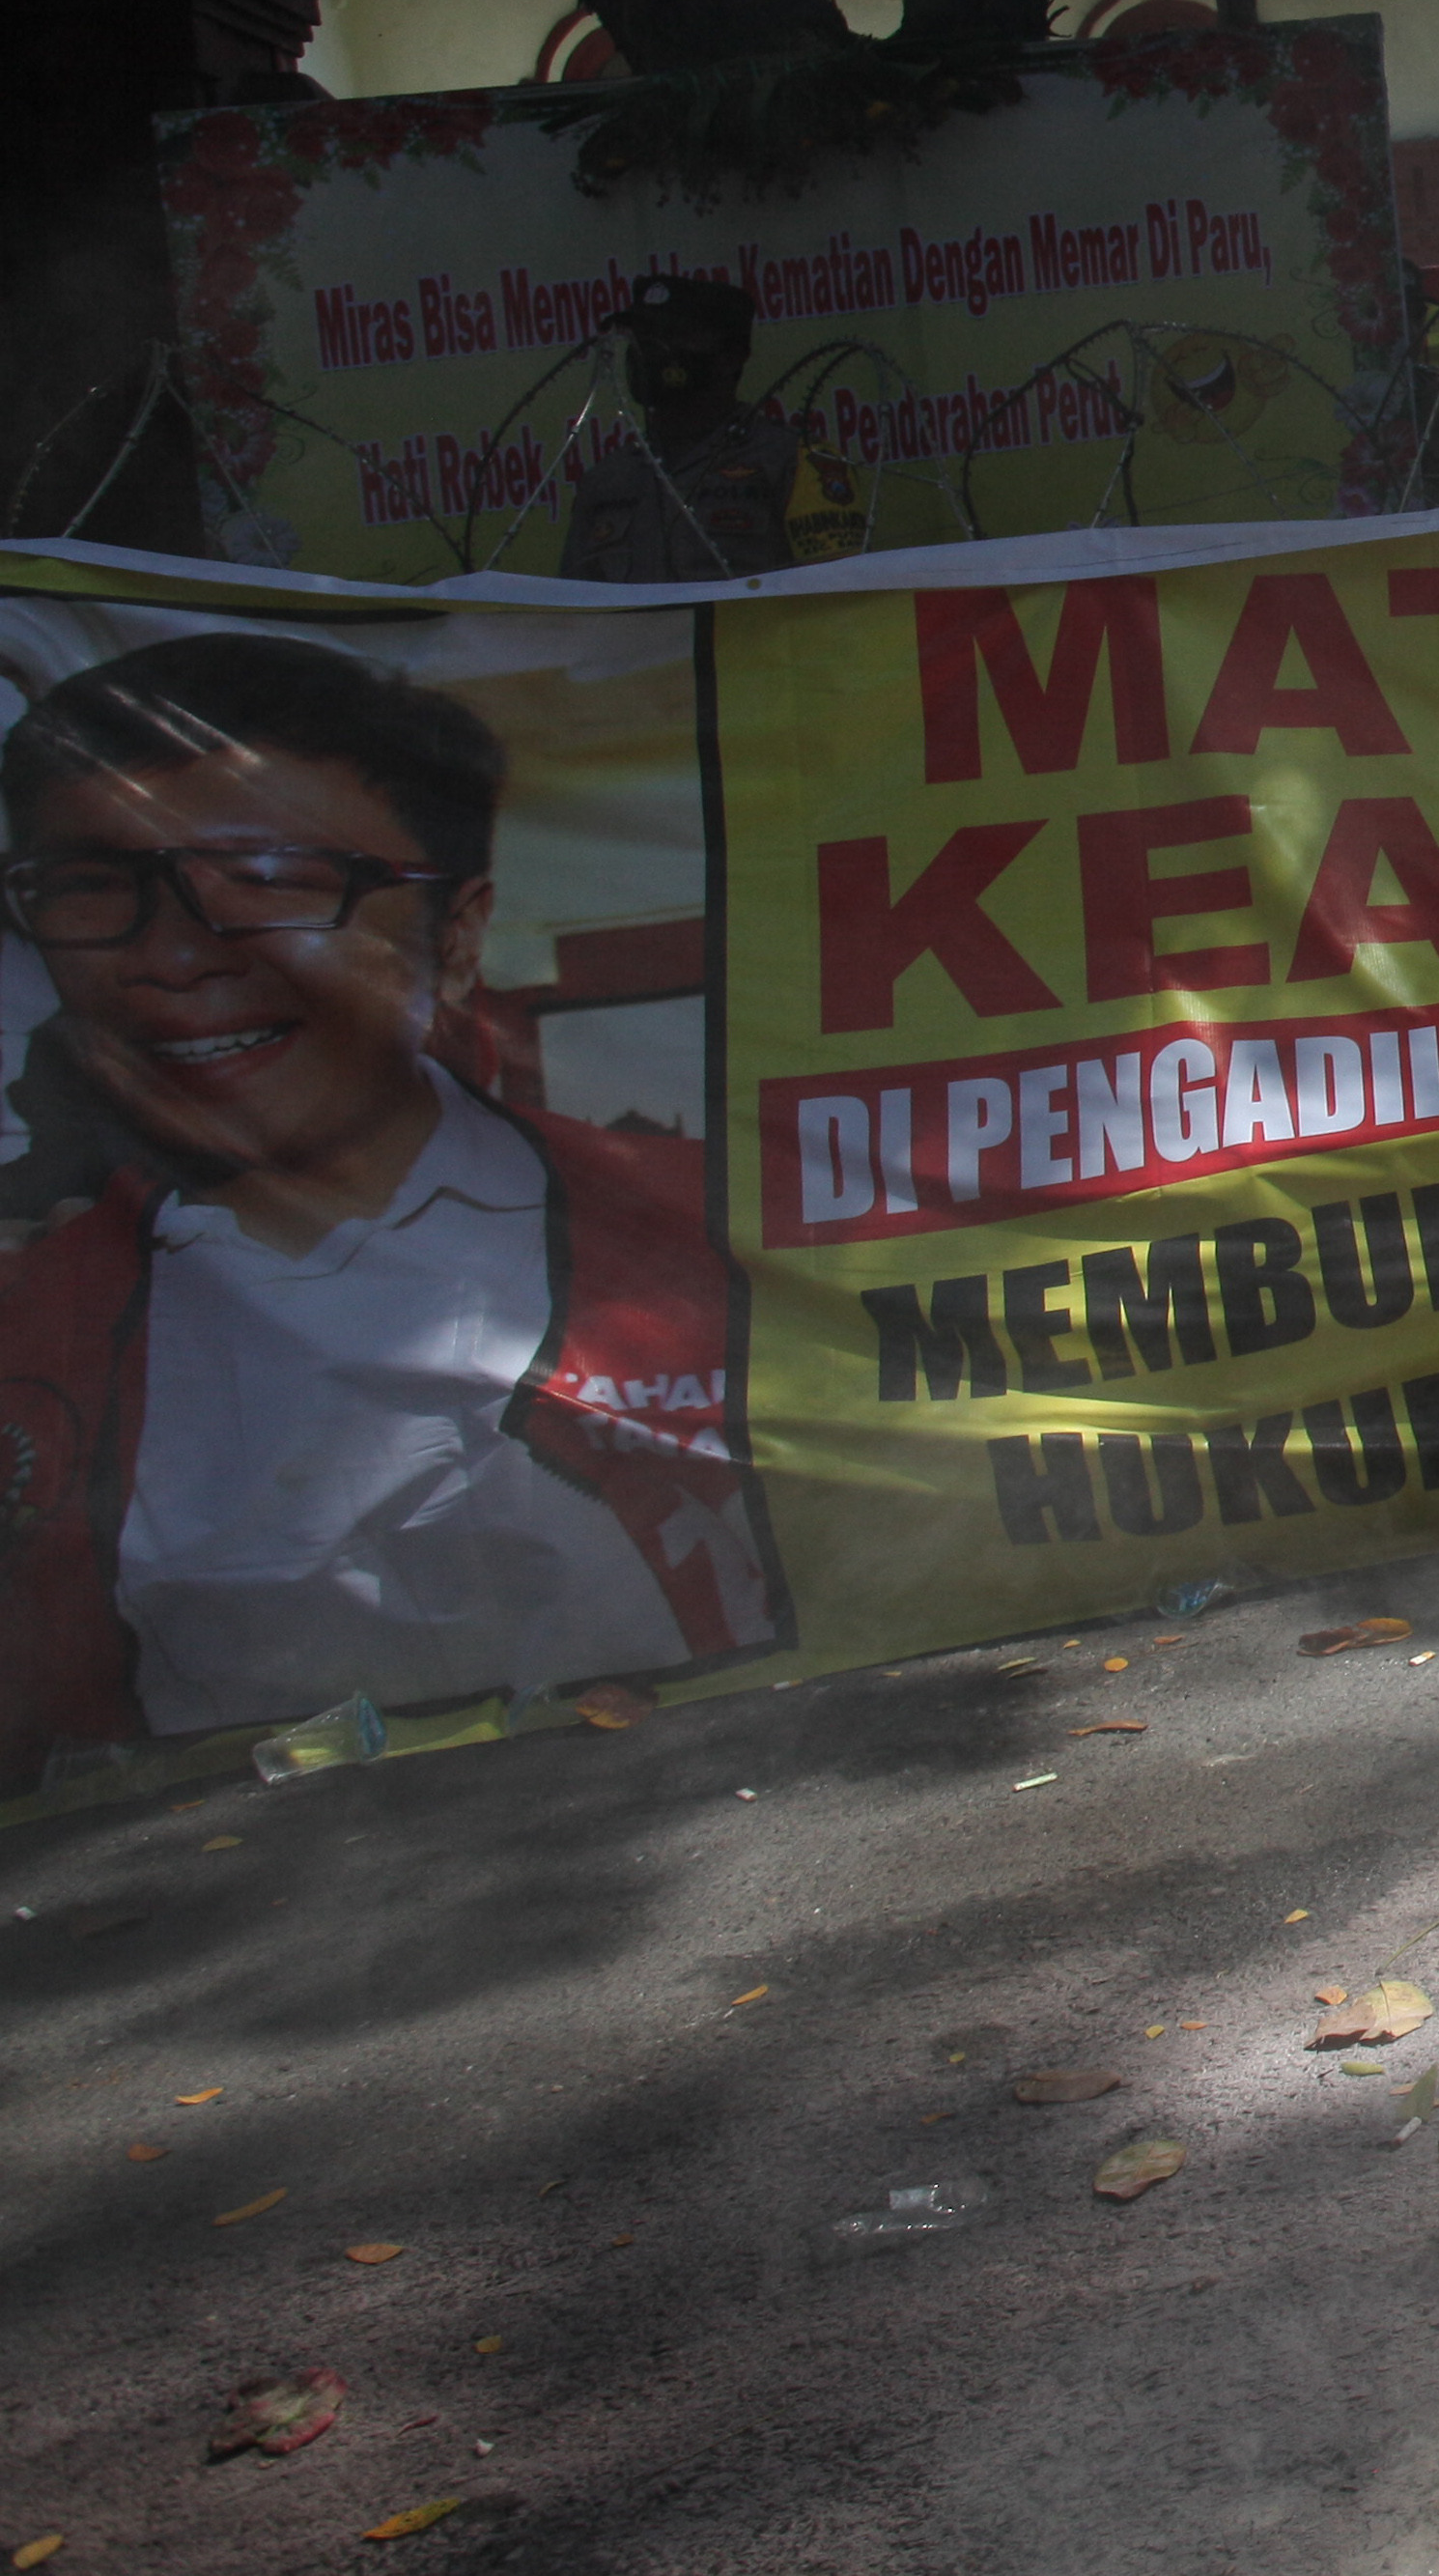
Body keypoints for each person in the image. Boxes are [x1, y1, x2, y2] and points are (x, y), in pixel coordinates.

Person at [0, 631, 779, 1779]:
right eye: (92, 888)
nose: (172, 956)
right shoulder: (36, 1325)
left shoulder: (728, 1230)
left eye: (267, 882)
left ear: (455, 936)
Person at [556, 274, 867, 582]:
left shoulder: (796, 462)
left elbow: (841, 599)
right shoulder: (608, 479)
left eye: (673, 335)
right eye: (641, 337)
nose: (651, 350)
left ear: (731, 355)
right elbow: (575, 610)